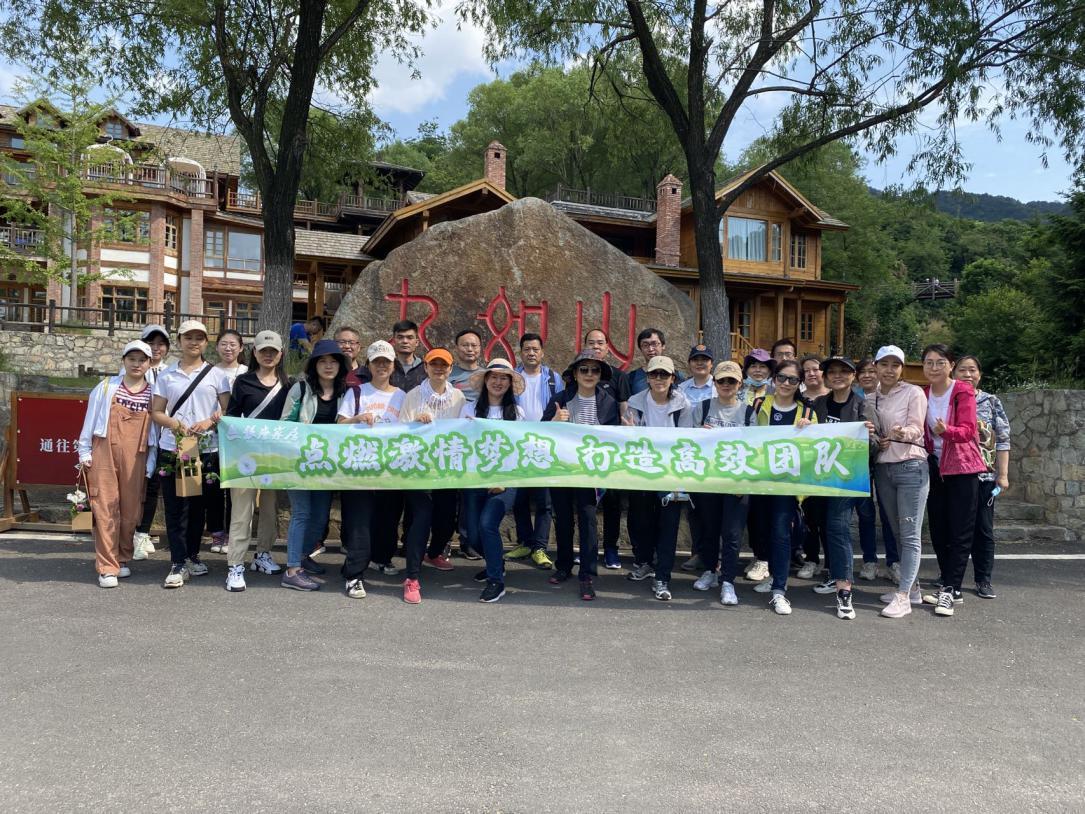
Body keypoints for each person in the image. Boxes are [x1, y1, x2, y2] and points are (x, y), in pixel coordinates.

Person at [150, 321, 232, 588]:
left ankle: (193, 555)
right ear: (179, 341)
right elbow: (156, 412)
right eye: (188, 337)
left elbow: (227, 410)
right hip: (173, 448)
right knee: (175, 507)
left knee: (198, 507)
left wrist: (209, 422)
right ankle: (177, 562)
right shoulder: (167, 375)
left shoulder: (217, 375)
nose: (193, 342)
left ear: (206, 342)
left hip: (205, 449)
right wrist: (176, 424)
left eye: (199, 338)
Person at [544, 351, 621, 600]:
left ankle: (587, 574)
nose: (589, 374)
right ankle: (564, 566)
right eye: (584, 369)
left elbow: (615, 438)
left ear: (600, 375)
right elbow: (540, 432)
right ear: (575, 374)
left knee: (588, 520)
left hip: (591, 472)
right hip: (562, 468)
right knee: (563, 519)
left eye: (594, 370)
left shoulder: (608, 402)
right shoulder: (560, 398)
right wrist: (554, 420)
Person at [78, 340, 156, 588]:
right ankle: (107, 567)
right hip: (104, 451)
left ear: (149, 363)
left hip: (137, 455)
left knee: (131, 512)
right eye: (131, 359)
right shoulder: (106, 387)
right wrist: (84, 451)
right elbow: (90, 419)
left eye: (142, 360)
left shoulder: (154, 392)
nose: (136, 364)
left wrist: (151, 461)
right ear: (123, 361)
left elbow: (155, 432)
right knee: (105, 508)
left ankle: (121, 558)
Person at [919, 344, 987, 617]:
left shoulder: (962, 390)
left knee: (960, 530)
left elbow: (968, 430)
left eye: (940, 362)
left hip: (962, 468)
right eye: (929, 362)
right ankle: (948, 584)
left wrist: (946, 431)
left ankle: (951, 589)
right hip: (935, 467)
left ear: (951, 365)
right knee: (938, 529)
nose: (934, 367)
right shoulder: (923, 394)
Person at [278, 338, 350, 592]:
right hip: (299, 461)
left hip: (326, 465)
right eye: (323, 361)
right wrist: (303, 433)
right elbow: (285, 423)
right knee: (302, 513)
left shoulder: (345, 393)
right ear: (314, 365)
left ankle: (303, 556)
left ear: (340, 365)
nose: (328, 366)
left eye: (333, 361)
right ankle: (292, 570)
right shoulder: (300, 389)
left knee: (320, 516)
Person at [810, 356, 879, 620]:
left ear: (853, 376)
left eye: (844, 371)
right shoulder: (818, 404)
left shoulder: (863, 405)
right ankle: (835, 573)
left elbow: (876, 445)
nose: (837, 376)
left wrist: (868, 437)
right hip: (819, 478)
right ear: (826, 377)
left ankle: (844, 591)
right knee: (824, 525)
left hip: (848, 479)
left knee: (838, 528)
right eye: (832, 372)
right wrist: (803, 426)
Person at [747, 359, 816, 615]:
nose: (786, 383)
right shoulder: (757, 405)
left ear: (800, 383)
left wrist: (809, 431)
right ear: (773, 379)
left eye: (793, 379)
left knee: (781, 533)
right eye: (782, 378)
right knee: (762, 530)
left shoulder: (807, 413)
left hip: (787, 484)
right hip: (759, 479)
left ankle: (779, 590)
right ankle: (774, 575)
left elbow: (814, 450)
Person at [398, 348, 467, 603]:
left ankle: (435, 552)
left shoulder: (458, 397)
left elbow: (464, 429)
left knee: (446, 519)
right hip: (418, 470)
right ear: (425, 367)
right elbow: (400, 430)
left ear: (450, 368)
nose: (439, 369)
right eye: (433, 364)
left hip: (447, 470)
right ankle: (412, 577)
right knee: (422, 518)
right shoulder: (413, 395)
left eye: (444, 365)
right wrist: (416, 422)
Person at [222, 330, 289, 592]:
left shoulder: (289, 384)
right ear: (255, 353)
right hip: (244, 456)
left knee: (270, 508)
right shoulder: (243, 382)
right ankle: (235, 563)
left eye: (273, 351)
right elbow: (232, 416)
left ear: (281, 354)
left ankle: (263, 553)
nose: (268, 355)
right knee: (242, 510)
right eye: (263, 351)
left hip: (274, 456)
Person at [622, 356, 693, 601]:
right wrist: (629, 433)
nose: (659, 379)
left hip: (672, 474)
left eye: (664, 374)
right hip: (642, 471)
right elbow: (628, 436)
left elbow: (687, 440)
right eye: (654, 374)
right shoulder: (635, 401)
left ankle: (663, 577)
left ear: (673, 378)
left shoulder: (684, 405)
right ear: (647, 378)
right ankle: (645, 563)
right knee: (641, 522)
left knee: (668, 527)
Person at [870, 345, 930, 619]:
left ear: (902, 368)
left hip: (911, 467)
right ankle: (913, 588)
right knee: (896, 532)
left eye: (895, 365)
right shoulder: (870, 398)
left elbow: (917, 427)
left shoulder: (913, 392)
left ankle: (903, 596)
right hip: (884, 468)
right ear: (876, 367)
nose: (889, 370)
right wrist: (877, 439)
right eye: (884, 364)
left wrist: (902, 433)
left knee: (909, 534)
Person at [338, 340, 406, 578]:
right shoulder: (357, 392)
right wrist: (356, 419)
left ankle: (382, 558)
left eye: (386, 362)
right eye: (377, 362)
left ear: (393, 365)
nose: (382, 366)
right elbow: (339, 424)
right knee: (360, 519)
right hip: (360, 466)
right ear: (368, 365)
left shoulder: (402, 396)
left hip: (391, 467)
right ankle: (354, 567)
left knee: (389, 517)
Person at [460, 358, 526, 602]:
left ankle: (496, 581)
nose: (498, 382)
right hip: (474, 479)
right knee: (472, 535)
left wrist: (503, 480)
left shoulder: (517, 413)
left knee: (487, 524)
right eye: (494, 377)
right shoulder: (468, 409)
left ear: (509, 383)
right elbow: (462, 444)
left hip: (506, 481)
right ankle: (496, 563)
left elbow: (519, 449)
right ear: (485, 380)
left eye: (503, 378)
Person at [691, 360, 750, 606]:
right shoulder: (703, 407)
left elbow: (757, 447)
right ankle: (710, 571)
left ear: (740, 384)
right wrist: (700, 435)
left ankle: (728, 581)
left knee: (732, 533)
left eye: (731, 381)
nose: (726, 385)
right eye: (722, 380)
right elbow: (688, 443)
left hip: (737, 482)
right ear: (714, 383)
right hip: (708, 479)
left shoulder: (749, 412)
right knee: (709, 529)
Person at [952, 355, 1010, 599]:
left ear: (980, 374)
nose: (967, 374)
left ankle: (983, 579)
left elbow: (1003, 439)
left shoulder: (991, 401)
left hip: (984, 477)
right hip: (954, 475)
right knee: (954, 528)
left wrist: (1002, 475)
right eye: (962, 370)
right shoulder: (949, 398)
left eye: (972, 370)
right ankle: (949, 577)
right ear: (953, 373)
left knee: (983, 530)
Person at [509, 332, 562, 569]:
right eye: (527, 349)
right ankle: (525, 542)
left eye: (535, 349)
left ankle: (540, 547)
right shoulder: (512, 376)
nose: (531, 353)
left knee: (544, 500)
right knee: (519, 498)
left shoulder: (553, 378)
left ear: (542, 352)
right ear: (520, 352)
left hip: (544, 445)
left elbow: (561, 406)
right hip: (518, 445)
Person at [582, 328, 631, 569]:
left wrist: (626, 432)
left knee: (612, 503)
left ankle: (611, 549)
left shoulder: (618, 376)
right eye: (591, 342)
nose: (596, 347)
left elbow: (624, 410)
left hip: (610, 451)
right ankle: (585, 548)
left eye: (600, 343)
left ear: (607, 348)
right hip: (581, 451)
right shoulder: (577, 372)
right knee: (585, 505)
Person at [855, 357, 899, 580]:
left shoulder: (889, 396)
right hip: (859, 464)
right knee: (865, 513)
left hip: (885, 460)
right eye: (862, 372)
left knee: (888, 512)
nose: (867, 375)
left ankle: (894, 562)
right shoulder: (853, 398)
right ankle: (869, 561)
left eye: (872, 371)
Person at [131, 323, 172, 561]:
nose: (156, 348)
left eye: (161, 344)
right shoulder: (134, 370)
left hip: (163, 437)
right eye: (151, 343)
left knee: (154, 486)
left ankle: (142, 532)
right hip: (136, 437)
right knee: (135, 486)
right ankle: (130, 533)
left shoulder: (171, 372)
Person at [207, 329, 249, 554]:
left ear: (241, 348)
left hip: (240, 439)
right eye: (223, 344)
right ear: (216, 347)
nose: (228, 348)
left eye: (233, 344)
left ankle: (234, 534)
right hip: (213, 437)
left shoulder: (247, 373)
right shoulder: (209, 372)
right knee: (214, 487)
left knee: (236, 488)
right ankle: (216, 533)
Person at [626, 328, 669, 396]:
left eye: (654, 344)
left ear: (663, 346)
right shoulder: (631, 377)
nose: (650, 349)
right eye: (645, 345)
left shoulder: (676, 376)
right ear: (640, 348)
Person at [390, 319, 426, 392]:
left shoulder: (425, 368)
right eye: (400, 337)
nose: (405, 341)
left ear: (416, 342)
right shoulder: (387, 368)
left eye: (410, 337)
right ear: (393, 341)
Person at [449, 328, 484, 402]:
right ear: (456, 348)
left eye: (474, 345)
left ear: (480, 348)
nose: (470, 349)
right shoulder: (447, 374)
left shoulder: (488, 375)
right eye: (465, 345)